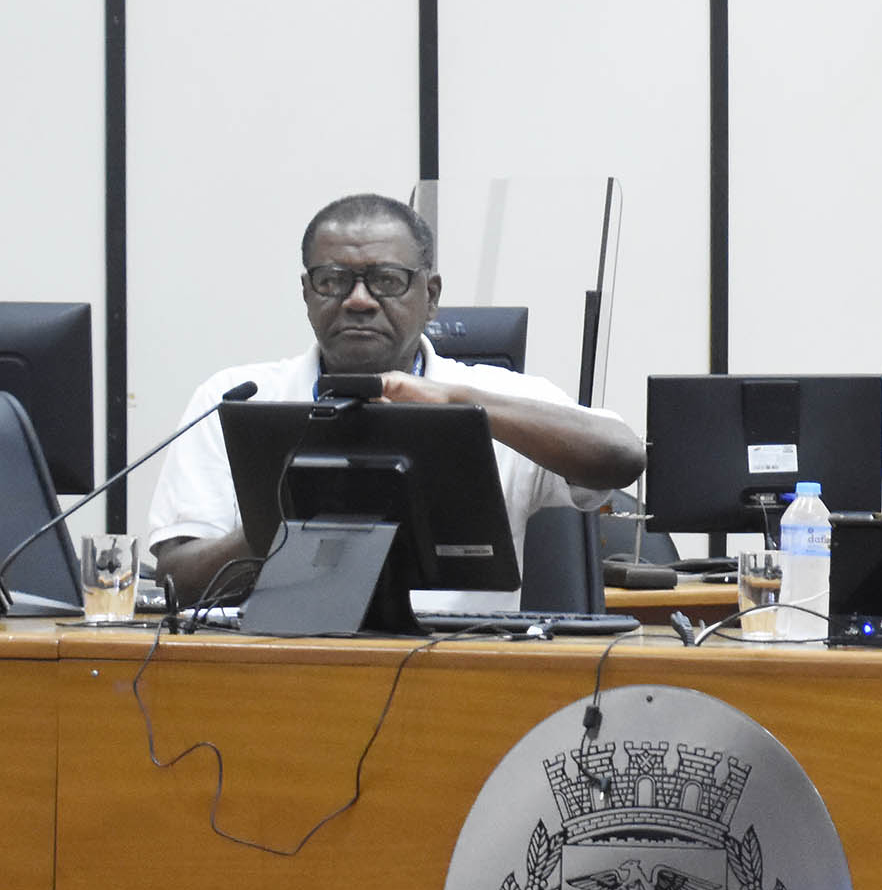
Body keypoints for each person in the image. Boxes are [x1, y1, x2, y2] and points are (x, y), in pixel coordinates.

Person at [143, 193, 646, 611]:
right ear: (306, 293)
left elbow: (623, 456)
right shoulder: (237, 399)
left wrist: (459, 403)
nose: (358, 299)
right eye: (332, 280)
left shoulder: (496, 398)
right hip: (282, 679)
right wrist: (288, 519)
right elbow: (177, 585)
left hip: (460, 681)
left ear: (430, 295)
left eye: (385, 280)